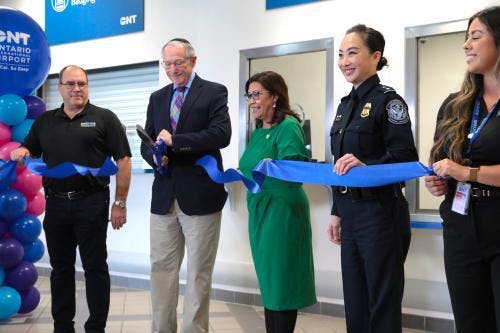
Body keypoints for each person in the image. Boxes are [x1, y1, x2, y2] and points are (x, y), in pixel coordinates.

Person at [10, 65, 132, 333]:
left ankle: (96, 327)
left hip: (92, 202)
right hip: (56, 205)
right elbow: (30, 146)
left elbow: (123, 160)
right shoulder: (45, 121)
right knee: (60, 270)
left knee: (95, 268)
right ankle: (63, 327)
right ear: (60, 88)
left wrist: (119, 203)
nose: (77, 88)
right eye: (71, 84)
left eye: (82, 83)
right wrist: (20, 151)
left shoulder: (104, 118)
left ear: (87, 86)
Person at [326, 25, 418, 333]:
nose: (344, 61)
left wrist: (368, 165)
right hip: (351, 213)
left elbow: (406, 159)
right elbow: (340, 167)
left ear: (375, 56)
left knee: (382, 302)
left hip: (381, 214)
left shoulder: (388, 102)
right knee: (355, 301)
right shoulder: (343, 107)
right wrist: (337, 210)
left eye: (352, 53)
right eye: (341, 54)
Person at [140, 38, 231, 333]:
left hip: (201, 197)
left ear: (193, 61)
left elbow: (221, 134)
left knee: (197, 275)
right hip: (164, 197)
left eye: (179, 62)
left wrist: (175, 143)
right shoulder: (157, 97)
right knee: (161, 271)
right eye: (167, 63)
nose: (173, 69)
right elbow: (148, 141)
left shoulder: (214, 92)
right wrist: (156, 158)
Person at [424, 6, 500, 332]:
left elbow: (461, 169)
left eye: (476, 36)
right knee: (469, 322)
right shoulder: (456, 104)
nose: (466, 45)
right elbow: (440, 161)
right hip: (460, 225)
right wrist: (438, 180)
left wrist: (466, 172)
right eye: (466, 38)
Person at [239, 71, 317, 333]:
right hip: (260, 212)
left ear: (274, 96)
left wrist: (274, 168)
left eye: (257, 94)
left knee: (282, 283)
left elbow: (294, 173)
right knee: (271, 283)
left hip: (282, 212)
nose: (251, 100)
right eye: (249, 95)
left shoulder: (289, 126)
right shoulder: (260, 131)